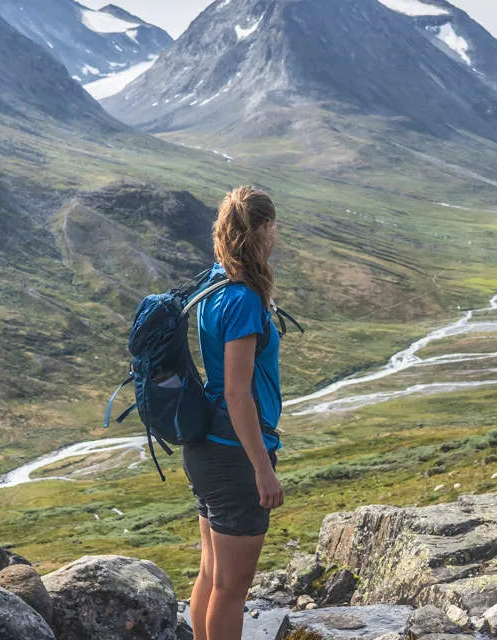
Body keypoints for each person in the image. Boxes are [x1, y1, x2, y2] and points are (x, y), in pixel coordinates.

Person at [187, 186, 286, 640]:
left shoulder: (214, 280)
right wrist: (262, 469)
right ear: (264, 229)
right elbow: (237, 393)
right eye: (275, 225)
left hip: (206, 448)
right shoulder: (244, 298)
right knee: (232, 589)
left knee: (212, 574)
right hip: (235, 455)